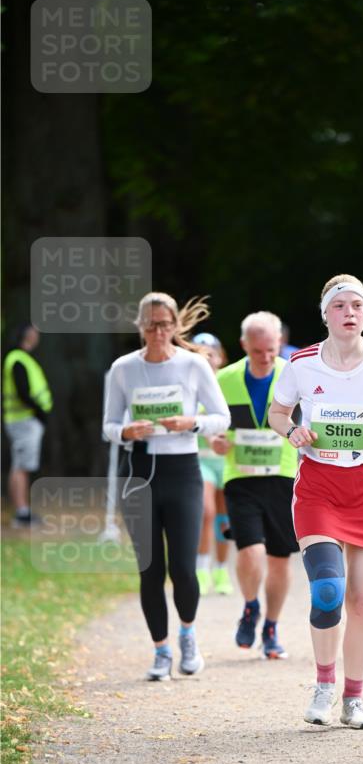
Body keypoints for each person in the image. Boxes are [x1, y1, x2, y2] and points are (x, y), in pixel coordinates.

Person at [269, 274, 363, 729]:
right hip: (319, 486)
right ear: (325, 314)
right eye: (340, 306)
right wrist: (292, 430)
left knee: (362, 600)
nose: (349, 313)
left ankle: (353, 699)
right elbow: (278, 413)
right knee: (328, 590)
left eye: (357, 305)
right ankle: (323, 684)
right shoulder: (301, 363)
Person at [103, 292, 230, 681]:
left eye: (164, 324)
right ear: (140, 327)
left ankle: (188, 634)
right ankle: (160, 650)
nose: (157, 331)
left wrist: (191, 422)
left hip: (183, 472)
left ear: (175, 326)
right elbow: (107, 427)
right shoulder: (123, 368)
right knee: (149, 569)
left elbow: (221, 417)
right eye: (150, 324)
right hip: (139, 471)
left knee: (183, 568)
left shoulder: (193, 366)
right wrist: (126, 430)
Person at [211, 312, 299, 660]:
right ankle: (250, 606)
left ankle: (272, 627)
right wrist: (214, 442)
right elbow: (209, 426)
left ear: (279, 343)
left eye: (271, 350)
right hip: (241, 477)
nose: (265, 357)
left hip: (282, 475)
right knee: (249, 550)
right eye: (258, 350)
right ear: (244, 344)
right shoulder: (223, 378)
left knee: (279, 560)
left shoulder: (293, 376)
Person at [191, 332, 234, 597]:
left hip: (228, 462)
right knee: (205, 512)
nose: (208, 359)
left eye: (212, 354)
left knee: (224, 518)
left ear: (221, 357)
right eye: (201, 354)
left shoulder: (229, 384)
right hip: (201, 460)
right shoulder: (190, 386)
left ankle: (221, 570)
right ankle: (201, 569)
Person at [3, 325, 52, 526]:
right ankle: (21, 512)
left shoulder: (21, 359)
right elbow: (23, 392)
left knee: (20, 465)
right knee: (21, 467)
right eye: (34, 334)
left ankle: (22, 510)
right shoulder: (17, 359)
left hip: (23, 421)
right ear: (28, 336)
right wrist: (39, 412)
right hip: (23, 421)